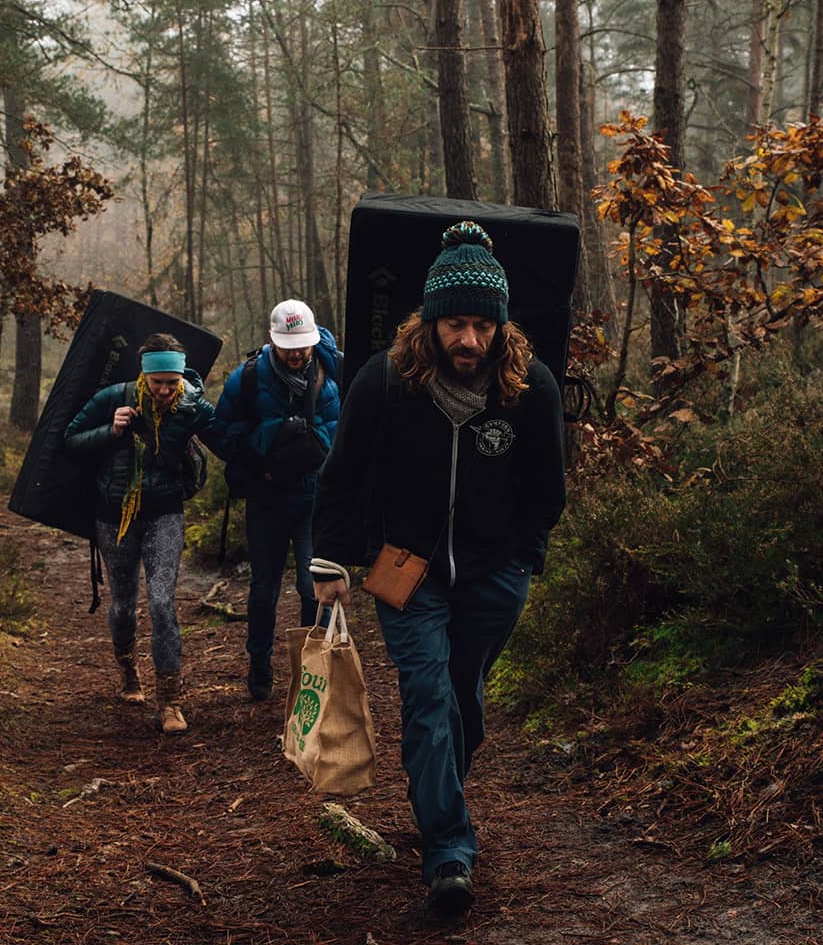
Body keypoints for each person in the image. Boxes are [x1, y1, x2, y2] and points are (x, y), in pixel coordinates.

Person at [308, 221, 566, 919]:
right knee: (428, 701)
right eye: (456, 323)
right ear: (429, 321)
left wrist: (523, 560)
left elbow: (549, 491)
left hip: (493, 576)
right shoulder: (385, 382)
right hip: (407, 573)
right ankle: (448, 852)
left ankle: (435, 782)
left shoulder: (531, 388)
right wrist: (328, 562)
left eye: (483, 326)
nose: (470, 341)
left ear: (501, 327)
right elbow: (341, 478)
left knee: (464, 704)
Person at [64, 333, 226, 734]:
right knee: (123, 603)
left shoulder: (191, 406)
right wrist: (111, 430)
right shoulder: (113, 397)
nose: (166, 391)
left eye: (173, 383)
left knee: (160, 603)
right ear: (145, 376)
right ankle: (128, 671)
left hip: (165, 513)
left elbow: (228, 441)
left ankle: (170, 701)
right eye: (159, 384)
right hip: (114, 514)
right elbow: (70, 439)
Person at [213, 299, 342, 701]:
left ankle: (308, 669)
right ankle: (259, 665)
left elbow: (346, 426)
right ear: (272, 340)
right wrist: (270, 442)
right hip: (266, 497)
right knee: (264, 588)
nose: (296, 353)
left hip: (311, 496)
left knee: (311, 586)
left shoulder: (332, 369)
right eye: (288, 346)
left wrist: (310, 445)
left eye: (301, 345)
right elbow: (222, 430)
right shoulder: (247, 377)